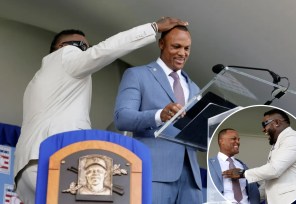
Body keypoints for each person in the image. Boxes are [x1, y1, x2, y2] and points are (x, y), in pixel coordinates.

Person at [13, 17, 189, 204]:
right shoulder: (64, 57)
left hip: (30, 165)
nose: (84, 50)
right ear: (59, 48)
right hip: (54, 160)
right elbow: (104, 50)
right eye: (78, 45)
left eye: (87, 47)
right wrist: (153, 28)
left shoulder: (41, 79)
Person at [114, 25, 203, 204]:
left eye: (187, 48)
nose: (182, 53)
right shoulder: (137, 75)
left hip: (192, 179)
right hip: (154, 172)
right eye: (176, 46)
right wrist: (158, 115)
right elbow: (122, 117)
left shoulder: (194, 87)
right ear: (161, 44)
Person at [222, 108, 296, 204]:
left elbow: (274, 170)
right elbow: (270, 179)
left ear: (277, 122)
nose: (263, 129)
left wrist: (242, 173)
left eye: (264, 124)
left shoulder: (293, 139)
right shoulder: (281, 142)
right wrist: (253, 199)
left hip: (290, 199)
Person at [208, 128, 260, 204]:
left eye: (238, 139)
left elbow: (254, 190)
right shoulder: (210, 164)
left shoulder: (243, 166)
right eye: (233, 139)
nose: (238, 142)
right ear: (221, 141)